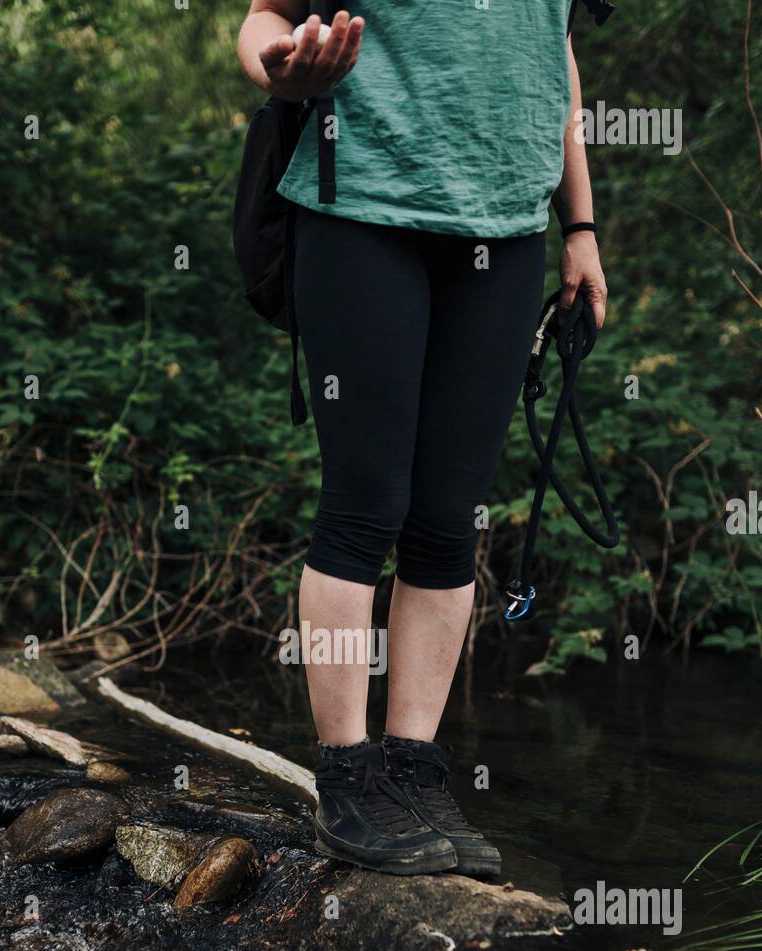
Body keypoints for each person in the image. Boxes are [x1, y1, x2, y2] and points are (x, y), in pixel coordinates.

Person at [238, 3, 608, 877]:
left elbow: (554, 54)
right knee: (366, 508)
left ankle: (412, 768)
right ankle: (348, 776)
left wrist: (581, 227)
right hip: (365, 210)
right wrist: (280, 67)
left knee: (450, 519)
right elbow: (263, 19)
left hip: (509, 231)